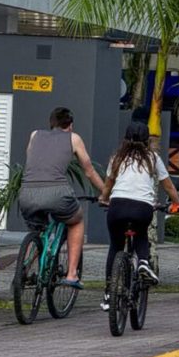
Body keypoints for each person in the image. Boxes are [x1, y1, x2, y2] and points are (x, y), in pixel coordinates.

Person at [17, 107, 106, 290]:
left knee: (39, 231)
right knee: (76, 221)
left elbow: (32, 162)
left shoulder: (35, 135)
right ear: (70, 125)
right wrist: (105, 193)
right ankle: (72, 274)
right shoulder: (74, 139)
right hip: (57, 193)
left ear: (51, 124)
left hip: (27, 192)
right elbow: (89, 171)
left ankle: (23, 267)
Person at [98, 122, 179, 310]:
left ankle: (108, 293)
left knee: (115, 246)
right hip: (142, 207)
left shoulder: (117, 158)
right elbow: (167, 185)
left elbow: (108, 184)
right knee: (141, 233)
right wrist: (178, 202)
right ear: (147, 140)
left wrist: (103, 198)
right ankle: (143, 262)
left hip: (117, 206)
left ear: (125, 139)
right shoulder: (153, 158)